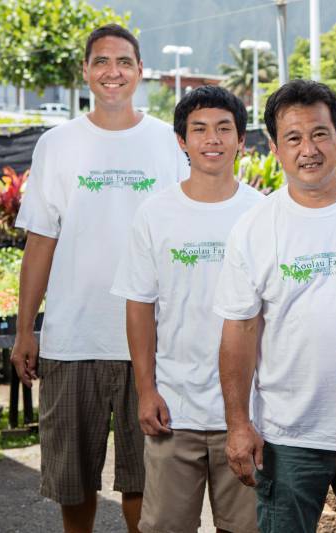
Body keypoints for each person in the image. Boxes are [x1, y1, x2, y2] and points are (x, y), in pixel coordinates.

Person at [10, 24, 188, 533]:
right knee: (74, 479)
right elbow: (41, 240)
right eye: (102, 61)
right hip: (72, 339)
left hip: (151, 341)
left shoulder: (167, 144)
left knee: (144, 478)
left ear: (140, 71)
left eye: (124, 62)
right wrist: (27, 329)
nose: (113, 71)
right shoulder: (57, 143)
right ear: (86, 71)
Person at [214, 79, 336, 533]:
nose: (309, 149)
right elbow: (238, 332)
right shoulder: (254, 227)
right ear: (276, 149)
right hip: (289, 435)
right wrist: (238, 423)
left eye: (320, 134)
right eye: (294, 138)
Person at [111, 85, 264, 533]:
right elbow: (139, 306)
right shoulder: (155, 213)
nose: (211, 139)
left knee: (245, 528)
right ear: (182, 141)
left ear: (241, 139)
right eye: (199, 130)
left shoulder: (263, 213)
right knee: (164, 527)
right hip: (174, 409)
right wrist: (146, 390)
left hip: (247, 414)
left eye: (223, 129)